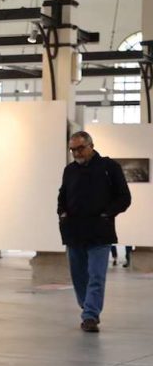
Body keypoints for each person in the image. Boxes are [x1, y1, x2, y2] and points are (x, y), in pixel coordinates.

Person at [58, 131, 131, 333]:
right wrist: (62, 214)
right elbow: (62, 195)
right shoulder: (70, 170)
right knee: (78, 276)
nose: (76, 153)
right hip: (74, 232)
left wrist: (107, 214)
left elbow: (124, 197)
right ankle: (87, 305)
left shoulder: (109, 167)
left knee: (96, 275)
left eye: (80, 148)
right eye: (72, 150)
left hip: (100, 232)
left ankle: (90, 315)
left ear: (91, 146)